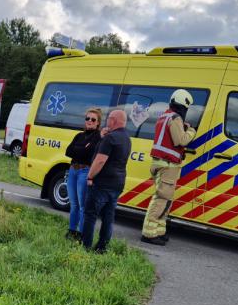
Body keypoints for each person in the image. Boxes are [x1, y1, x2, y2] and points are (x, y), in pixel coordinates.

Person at [141, 89, 197, 246]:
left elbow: (168, 141)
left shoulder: (164, 116)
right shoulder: (175, 118)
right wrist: (191, 130)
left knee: (166, 199)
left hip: (161, 163)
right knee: (161, 199)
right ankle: (149, 234)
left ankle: (159, 231)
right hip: (167, 166)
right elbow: (180, 140)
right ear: (183, 105)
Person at [82, 109, 131, 253]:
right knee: (108, 218)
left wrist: (90, 176)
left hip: (102, 183)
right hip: (118, 183)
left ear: (114, 120)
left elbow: (100, 161)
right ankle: (102, 248)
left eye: (109, 118)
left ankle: (85, 247)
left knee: (90, 215)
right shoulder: (126, 138)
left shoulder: (110, 138)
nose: (107, 121)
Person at [64, 108, 103, 240]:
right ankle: (72, 231)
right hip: (73, 170)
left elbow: (89, 154)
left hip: (84, 171)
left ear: (98, 123)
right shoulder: (79, 136)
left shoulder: (98, 137)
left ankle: (81, 233)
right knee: (73, 204)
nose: (90, 121)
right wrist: (82, 149)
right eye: (87, 118)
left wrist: (78, 150)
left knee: (82, 206)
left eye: (93, 119)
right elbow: (68, 151)